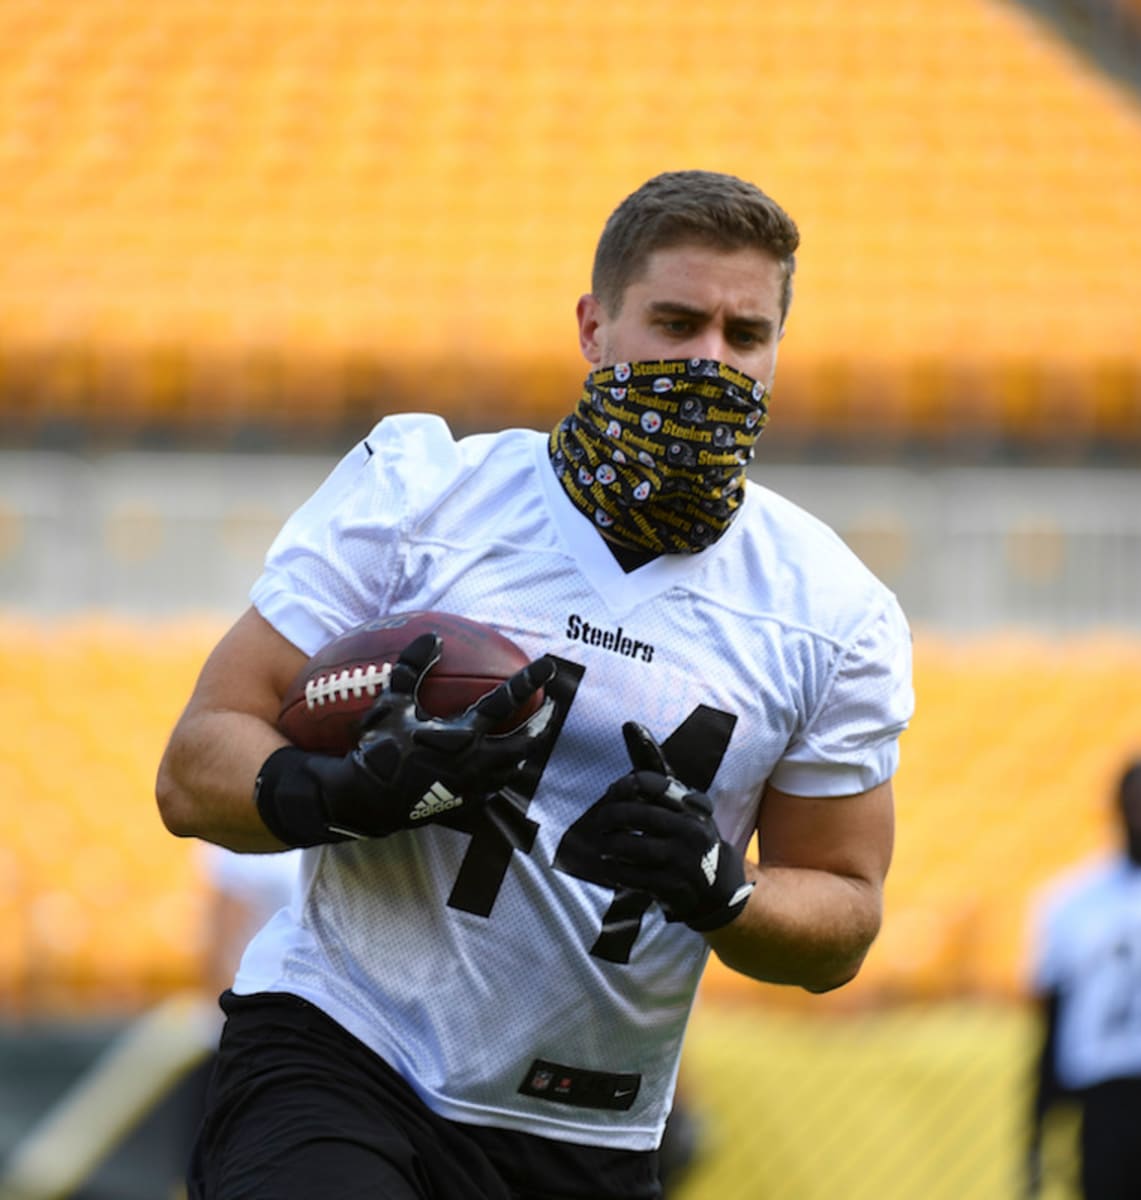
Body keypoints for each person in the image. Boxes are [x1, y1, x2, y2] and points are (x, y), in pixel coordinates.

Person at [155, 169, 915, 1200]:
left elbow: (842, 916)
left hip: (586, 1124)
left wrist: (726, 892)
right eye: (677, 321)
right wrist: (342, 794)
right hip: (342, 1048)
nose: (709, 362)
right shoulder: (426, 493)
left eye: (745, 337)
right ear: (595, 328)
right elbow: (195, 766)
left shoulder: (831, 610)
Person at [1027, 758, 1141, 1200]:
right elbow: (1051, 1026)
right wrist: (1036, 1135)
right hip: (1104, 1100)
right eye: (1134, 801)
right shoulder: (1071, 902)